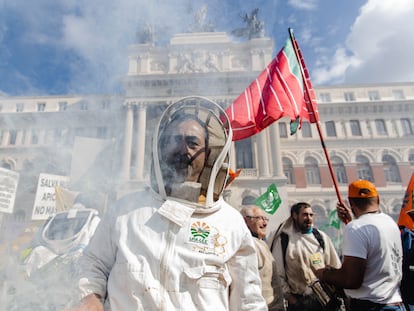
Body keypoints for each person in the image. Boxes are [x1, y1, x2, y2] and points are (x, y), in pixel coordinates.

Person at [70, 97, 267, 310]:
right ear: (160, 150)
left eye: (193, 143)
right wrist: (90, 296)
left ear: (209, 154)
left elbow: (249, 301)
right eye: (174, 141)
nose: (183, 150)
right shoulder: (125, 211)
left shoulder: (230, 222)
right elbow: (93, 264)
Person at [315, 180, 405, 311]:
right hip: (395, 303)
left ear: (351, 203)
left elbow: (351, 280)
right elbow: (372, 241)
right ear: (378, 200)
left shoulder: (356, 228)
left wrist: (324, 273)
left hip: (371, 306)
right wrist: (351, 221)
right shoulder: (389, 222)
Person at [271, 202, 342, 311]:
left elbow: (334, 265)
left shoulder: (321, 237)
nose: (308, 218)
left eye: (311, 215)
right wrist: (292, 300)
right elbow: (277, 273)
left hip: (325, 300)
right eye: (304, 215)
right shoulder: (284, 240)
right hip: (299, 301)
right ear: (295, 216)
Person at [241, 205, 285, 311]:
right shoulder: (248, 245)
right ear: (245, 221)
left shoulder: (261, 243)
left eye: (266, 219)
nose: (265, 223)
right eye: (259, 218)